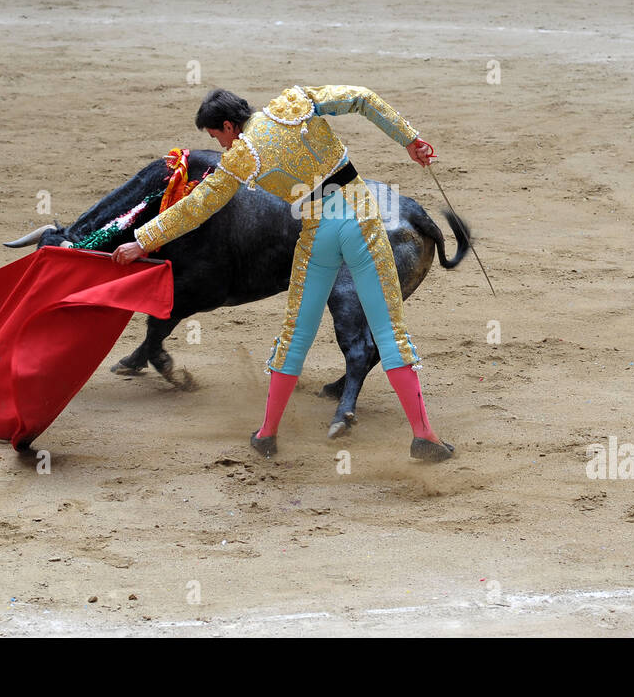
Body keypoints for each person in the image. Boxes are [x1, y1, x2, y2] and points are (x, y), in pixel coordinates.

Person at [112, 85, 454, 463]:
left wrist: (143, 241)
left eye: (217, 137)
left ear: (228, 125)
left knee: (296, 334)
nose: (221, 145)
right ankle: (424, 436)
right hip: (359, 219)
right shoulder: (294, 101)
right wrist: (410, 140)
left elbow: (198, 206)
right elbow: (362, 98)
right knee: (388, 332)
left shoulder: (241, 158)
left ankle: (267, 433)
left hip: (318, 233)